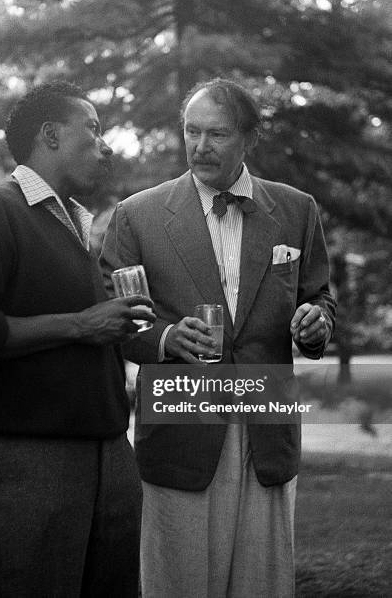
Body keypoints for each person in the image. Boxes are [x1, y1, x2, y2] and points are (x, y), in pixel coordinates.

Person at [0, 80, 156, 598]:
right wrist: (80, 324)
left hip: (110, 456)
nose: (105, 145)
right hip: (35, 464)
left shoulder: (74, 227)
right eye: (92, 130)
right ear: (50, 135)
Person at [100, 78, 336, 597]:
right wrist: (163, 339)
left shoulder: (297, 210)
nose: (200, 146)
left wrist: (317, 324)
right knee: (177, 583)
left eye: (217, 134)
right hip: (181, 419)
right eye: (192, 131)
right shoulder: (137, 215)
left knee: (263, 583)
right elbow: (116, 315)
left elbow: (319, 299)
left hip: (268, 421)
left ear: (249, 139)